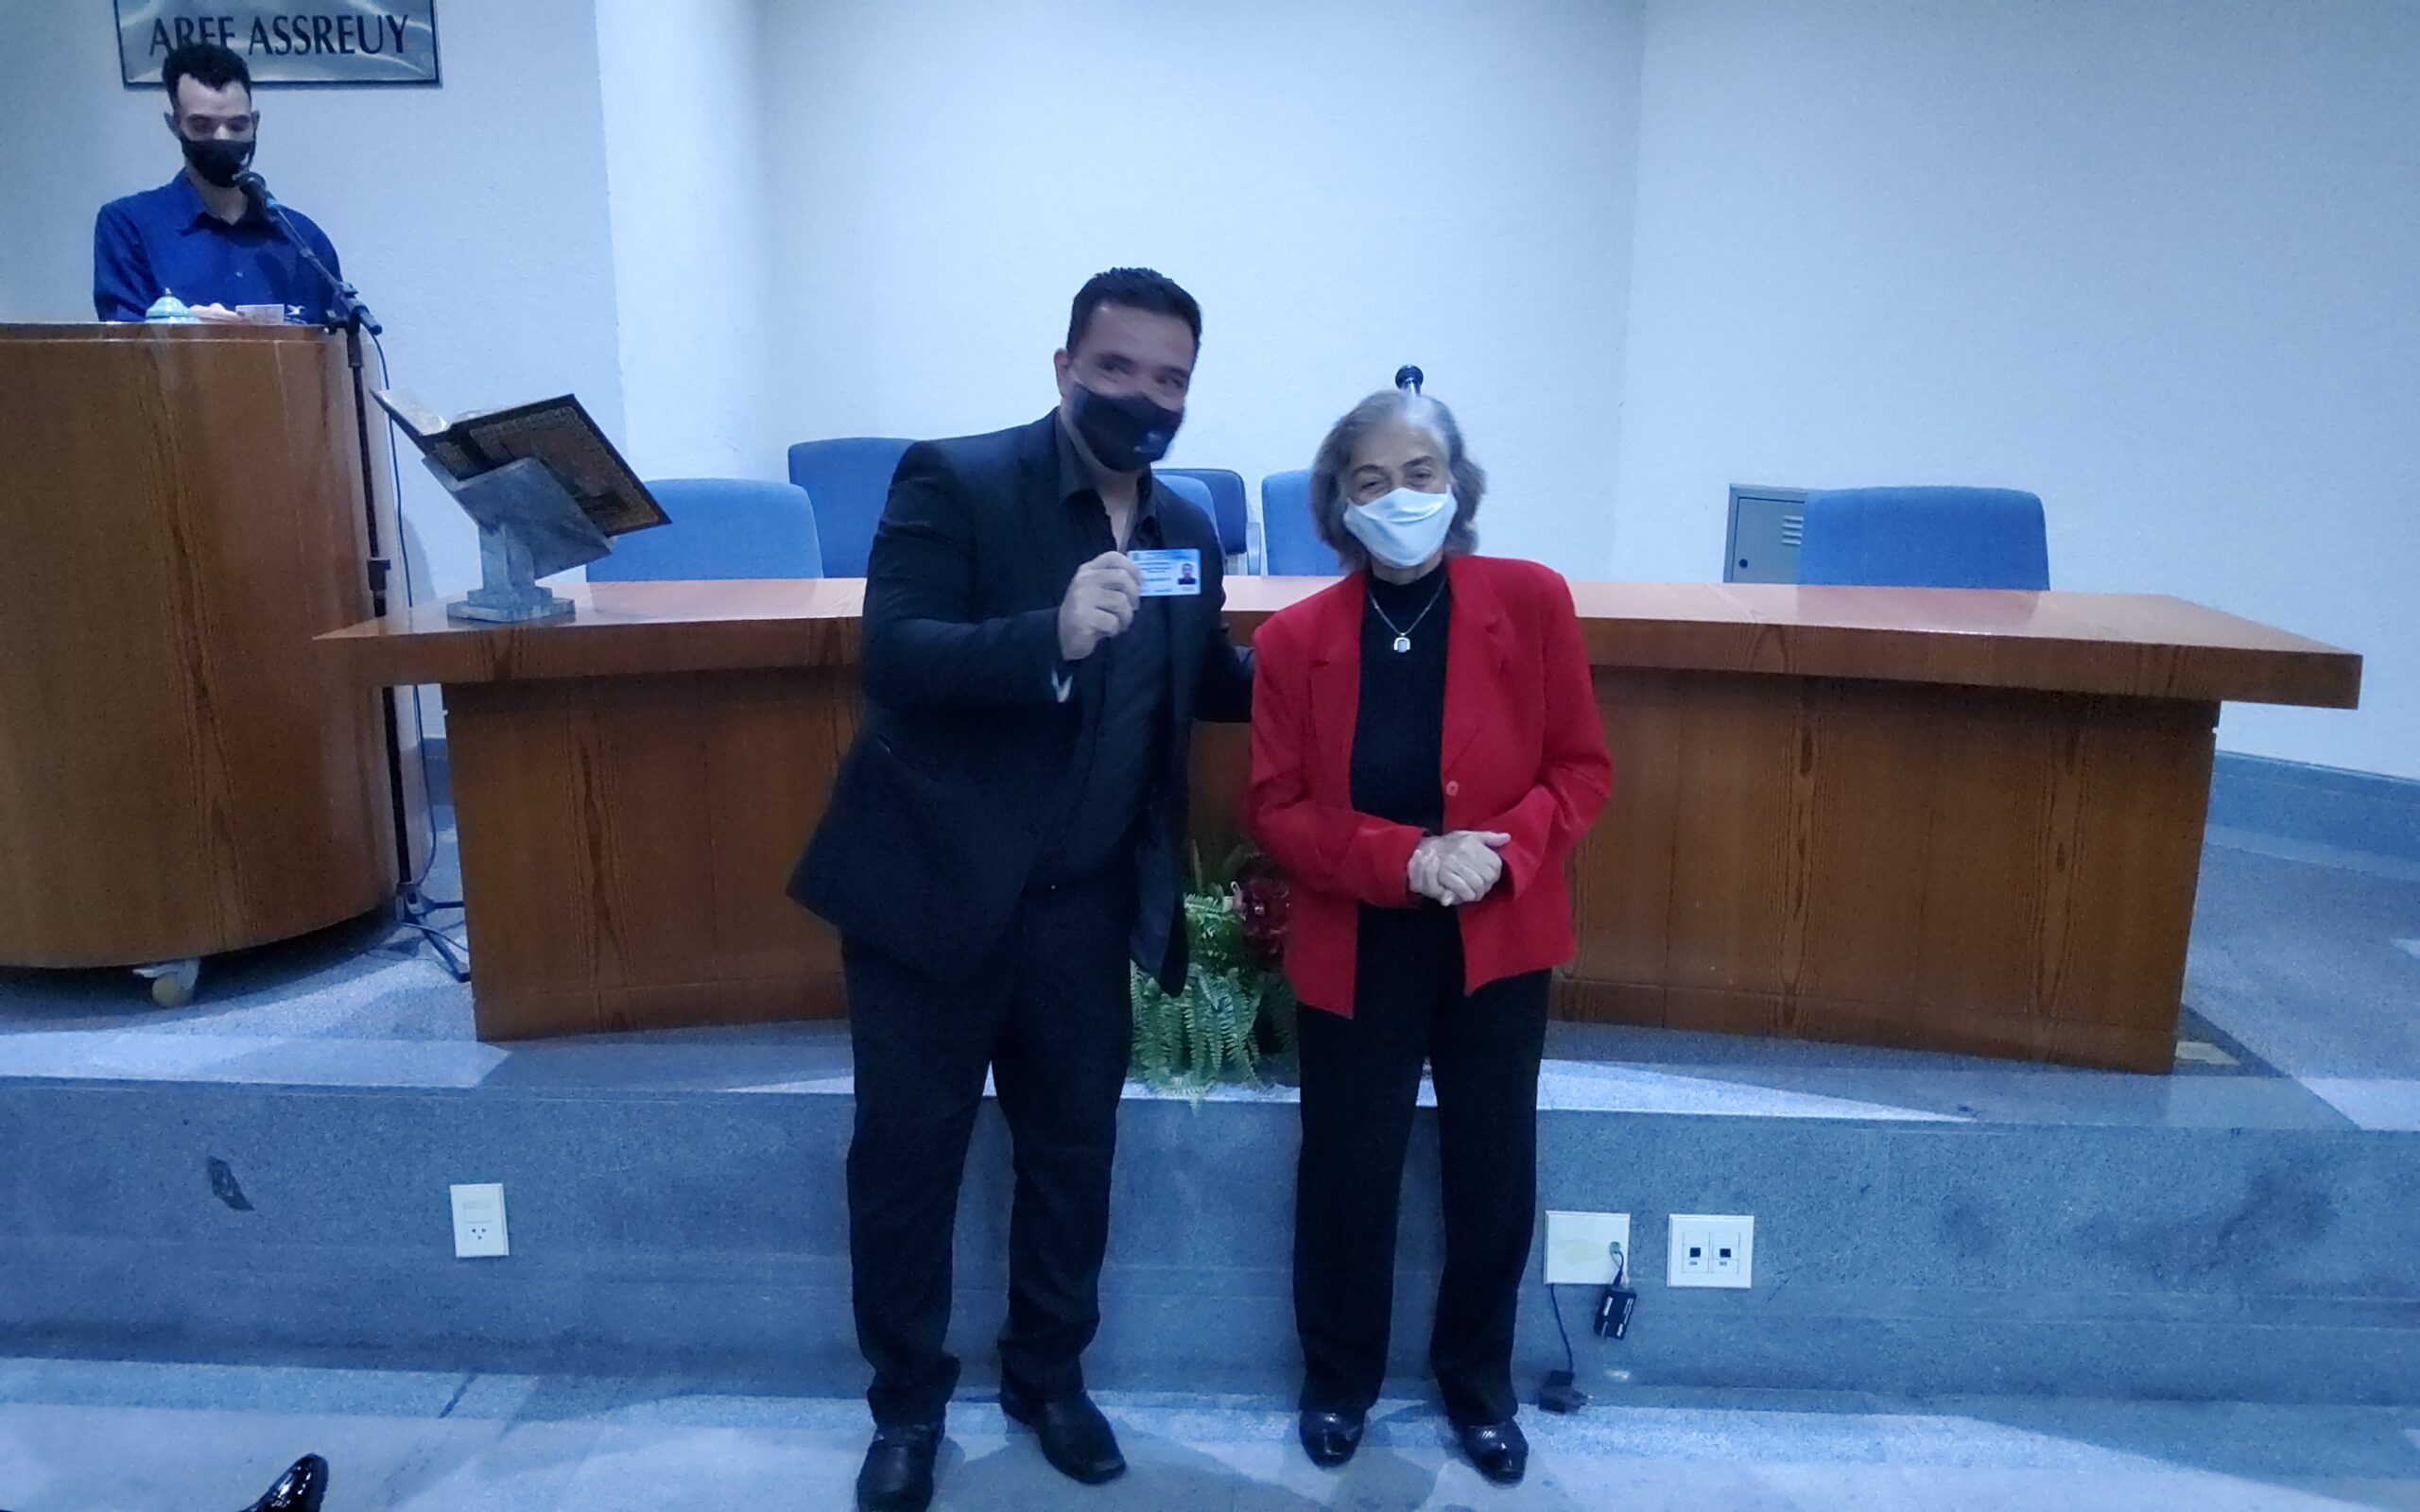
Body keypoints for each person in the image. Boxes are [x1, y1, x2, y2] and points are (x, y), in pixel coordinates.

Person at [789, 267, 1253, 1512]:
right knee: (908, 1166)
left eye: (1170, 380)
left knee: (1071, 1156)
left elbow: (1203, 671)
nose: (1144, 398)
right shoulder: (959, 480)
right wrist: (1046, 633)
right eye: (1118, 369)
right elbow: (894, 652)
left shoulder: (1187, 526)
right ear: (1064, 368)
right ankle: (906, 1406)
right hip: (931, 893)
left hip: (1083, 904)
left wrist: (1325, 670)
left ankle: (1049, 1377)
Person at [1244, 372, 1612, 1486]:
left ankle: (1478, 1385)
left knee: (1491, 1172)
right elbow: (1274, 808)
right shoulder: (1293, 639)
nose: (1399, 496)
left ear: (1458, 486)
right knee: (1345, 1171)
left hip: (1497, 933)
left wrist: (1500, 849)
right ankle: (1336, 1378)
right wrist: (1405, 857)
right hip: (1358, 937)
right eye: (1370, 481)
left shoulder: (1530, 600)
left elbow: (1580, 768)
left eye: (1420, 472)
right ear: (1336, 503)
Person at [93, 43, 343, 323]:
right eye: (202, 125)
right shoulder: (129, 226)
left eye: (237, 125)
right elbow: (123, 340)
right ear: (174, 125)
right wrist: (189, 331)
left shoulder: (303, 240)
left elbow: (340, 344)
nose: (222, 137)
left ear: (255, 123)